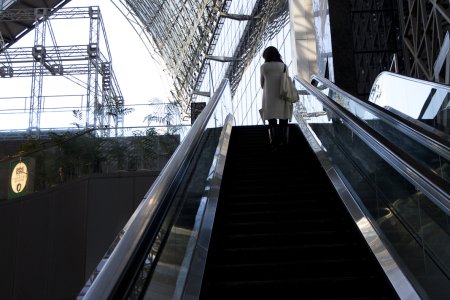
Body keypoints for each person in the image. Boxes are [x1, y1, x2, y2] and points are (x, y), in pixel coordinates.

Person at [259, 46, 293, 150]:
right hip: (282, 96)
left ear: (266, 56)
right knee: (283, 119)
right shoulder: (283, 66)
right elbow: (287, 82)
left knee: (272, 121)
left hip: (269, 98)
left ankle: (273, 142)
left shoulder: (264, 67)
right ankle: (285, 141)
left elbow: (262, 84)